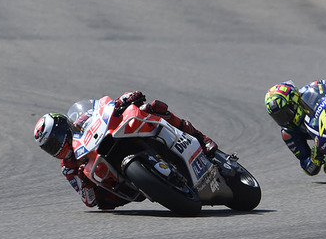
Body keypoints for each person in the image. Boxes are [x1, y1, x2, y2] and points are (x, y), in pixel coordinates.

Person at [35, 90, 217, 210]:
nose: (57, 146)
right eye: (50, 146)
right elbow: (89, 200)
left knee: (152, 108)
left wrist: (125, 99)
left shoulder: (82, 119)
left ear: (65, 126)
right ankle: (152, 183)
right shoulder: (68, 166)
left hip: (113, 138)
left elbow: (105, 108)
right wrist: (85, 179)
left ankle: (201, 138)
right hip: (118, 188)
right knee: (103, 204)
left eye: (56, 139)